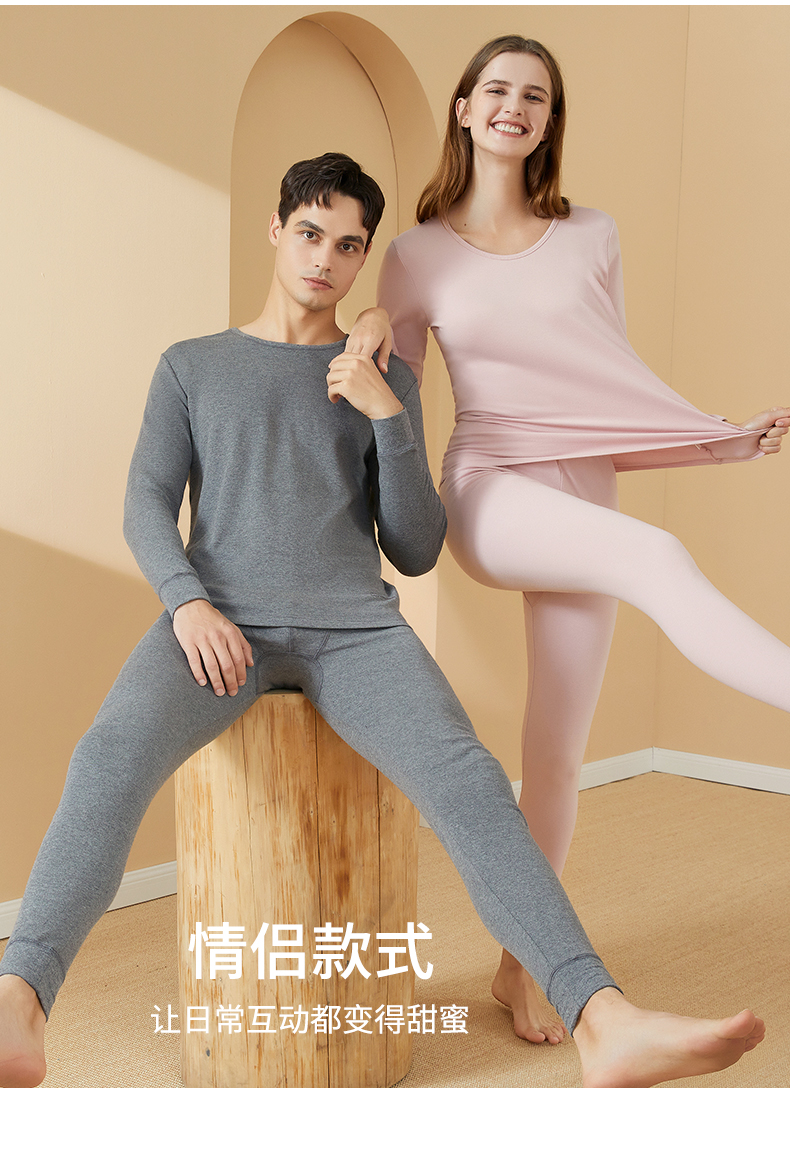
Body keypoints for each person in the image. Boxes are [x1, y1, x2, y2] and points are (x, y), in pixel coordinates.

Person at [0, 153, 765, 1091]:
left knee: (470, 779)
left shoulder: (382, 372)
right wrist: (186, 600)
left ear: (365, 257)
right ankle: (18, 1002)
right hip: (217, 623)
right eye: (310, 234)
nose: (325, 259)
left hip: (356, 631)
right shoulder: (192, 365)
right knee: (107, 757)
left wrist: (388, 415)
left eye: (348, 245)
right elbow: (145, 505)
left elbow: (416, 545)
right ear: (276, 229)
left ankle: (603, 1020)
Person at [348, 35, 790, 1046]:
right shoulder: (416, 254)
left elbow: (606, 388)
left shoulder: (593, 235)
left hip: (581, 493)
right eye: (497, 90)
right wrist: (371, 322)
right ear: (464, 109)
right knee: (658, 559)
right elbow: (394, 399)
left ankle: (521, 965)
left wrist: (717, 442)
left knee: (555, 754)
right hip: (490, 488)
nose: (515, 106)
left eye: (535, 97)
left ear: (549, 121)